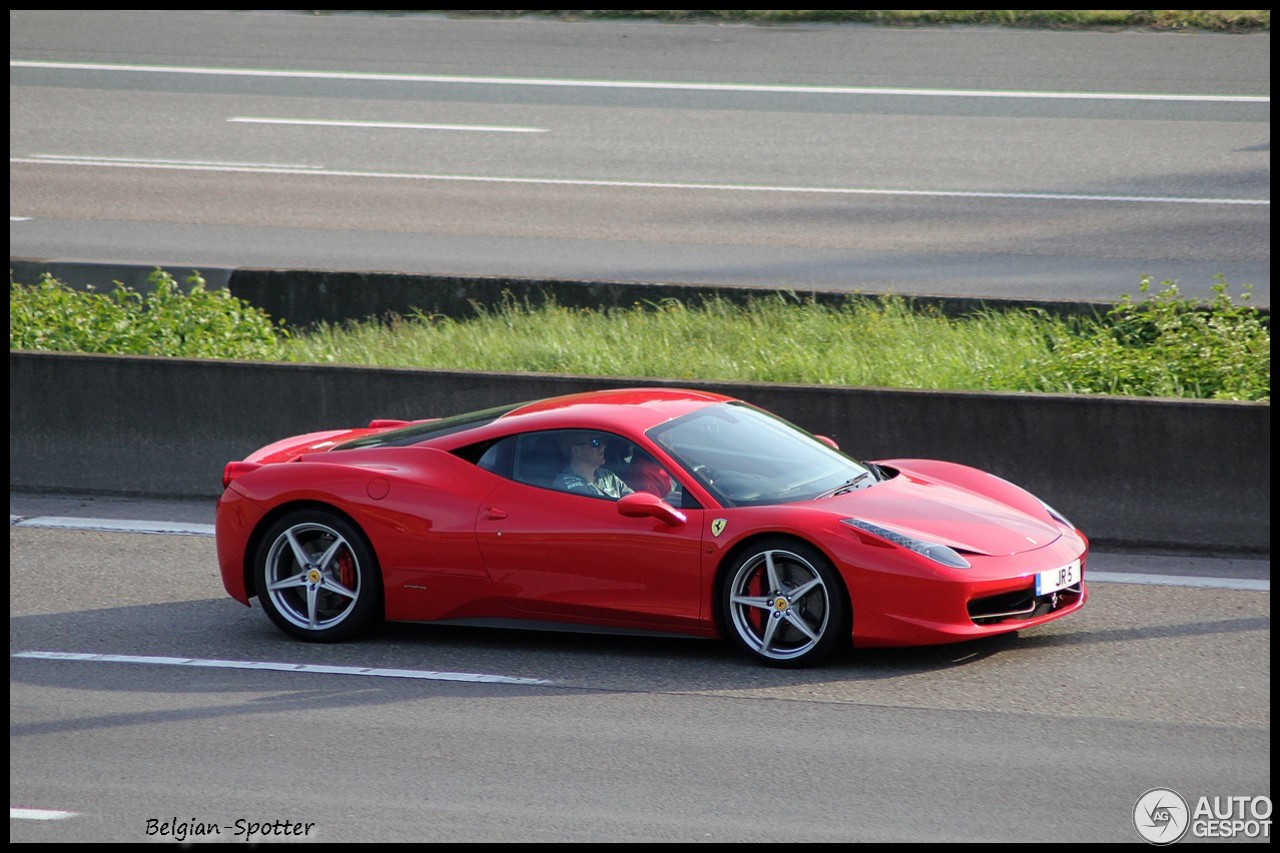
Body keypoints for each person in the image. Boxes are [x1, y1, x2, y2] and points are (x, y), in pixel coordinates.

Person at [555, 433, 633, 499]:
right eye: (595, 442)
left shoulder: (608, 476)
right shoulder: (567, 486)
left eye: (603, 441)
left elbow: (633, 499)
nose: (603, 446)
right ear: (576, 450)